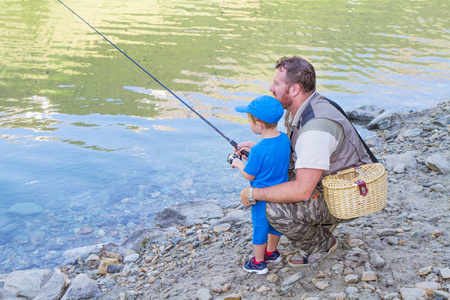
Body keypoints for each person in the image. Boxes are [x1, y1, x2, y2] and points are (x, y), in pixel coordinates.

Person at [236, 56, 372, 267]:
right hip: (331, 182)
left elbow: (302, 191)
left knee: (272, 209)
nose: (271, 87)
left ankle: (321, 243)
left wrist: (253, 194)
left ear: (295, 90)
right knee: (273, 175)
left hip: (348, 197)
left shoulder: (315, 129)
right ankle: (318, 224)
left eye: (277, 83)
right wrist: (260, 150)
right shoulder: (305, 107)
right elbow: (296, 151)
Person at [231, 95, 291, 274]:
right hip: (280, 194)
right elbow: (270, 151)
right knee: (275, 225)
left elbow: (249, 173)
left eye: (250, 121)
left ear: (258, 125)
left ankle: (258, 262)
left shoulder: (258, 150)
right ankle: (272, 253)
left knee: (260, 228)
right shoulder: (285, 139)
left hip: (261, 197)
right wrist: (253, 145)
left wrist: (238, 163)